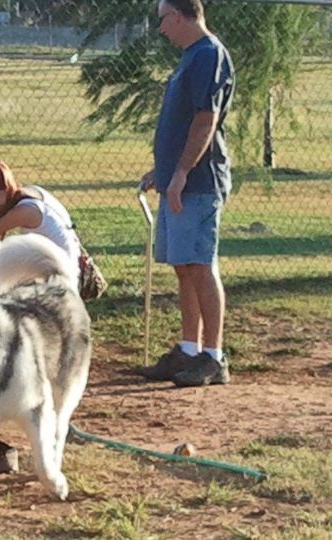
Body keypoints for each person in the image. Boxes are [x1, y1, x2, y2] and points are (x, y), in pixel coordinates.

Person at [138, 0, 235, 387]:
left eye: (163, 20)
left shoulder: (209, 54)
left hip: (198, 181)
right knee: (183, 266)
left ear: (178, 16)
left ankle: (213, 356)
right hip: (178, 178)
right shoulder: (191, 56)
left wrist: (180, 172)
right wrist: (161, 171)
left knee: (199, 263)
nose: (161, 29)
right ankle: (189, 348)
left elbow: (205, 119)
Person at [0, 160, 80, 279]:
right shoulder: (32, 192)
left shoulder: (24, 211)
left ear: (8, 188)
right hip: (67, 266)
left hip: (59, 275)